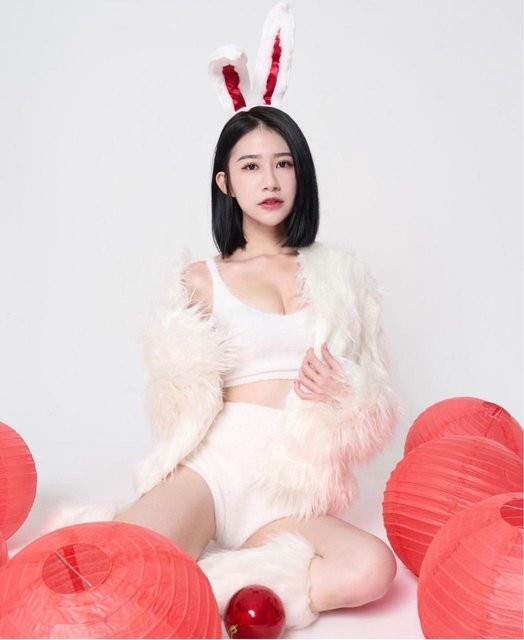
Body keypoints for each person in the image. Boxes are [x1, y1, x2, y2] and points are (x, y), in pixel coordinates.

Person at [110, 105, 402, 630]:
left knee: (372, 568)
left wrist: (345, 391)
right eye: (250, 166)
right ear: (225, 182)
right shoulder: (199, 280)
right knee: (124, 564)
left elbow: (377, 402)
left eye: (283, 163)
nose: (270, 180)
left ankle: (212, 594)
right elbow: (177, 399)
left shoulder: (342, 279)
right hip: (211, 474)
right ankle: (204, 588)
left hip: (287, 495)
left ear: (300, 173)